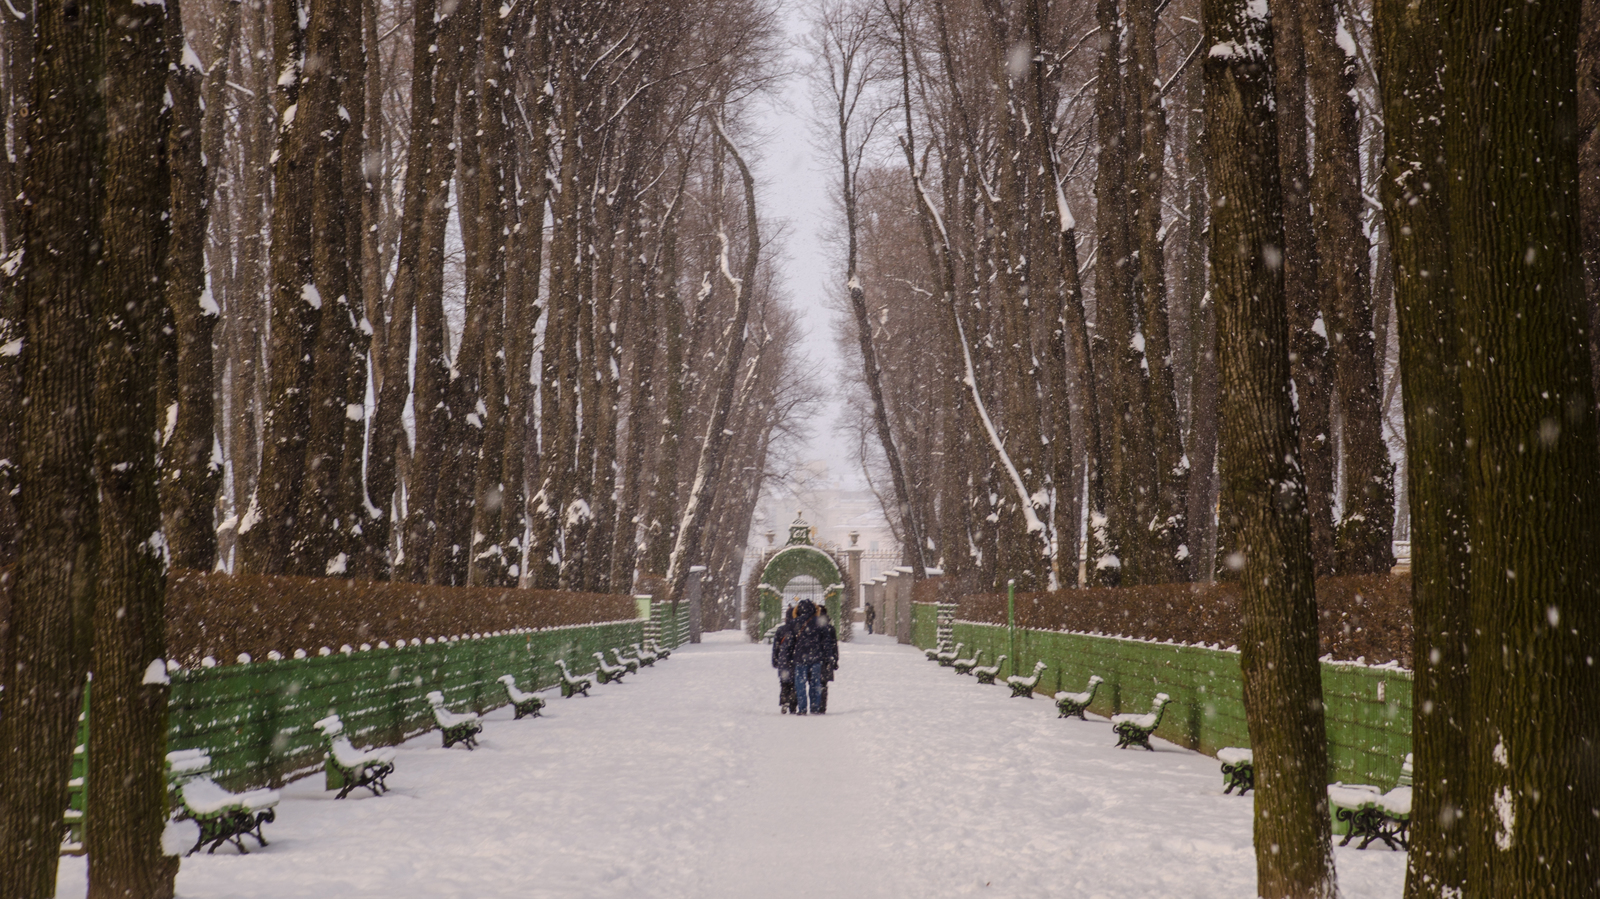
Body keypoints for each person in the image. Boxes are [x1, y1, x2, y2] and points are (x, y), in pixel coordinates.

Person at [792, 599, 829, 715]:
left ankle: (802, 708)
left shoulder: (795, 622)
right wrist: (826, 656)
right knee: (815, 683)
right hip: (816, 657)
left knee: (800, 684)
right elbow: (826, 641)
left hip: (800, 657)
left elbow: (790, 640)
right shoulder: (820, 622)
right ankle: (814, 707)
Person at [771, 605, 798, 714]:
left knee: (784, 682)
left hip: (783, 659)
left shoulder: (781, 630)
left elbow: (776, 647)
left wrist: (775, 659)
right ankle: (793, 703)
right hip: (796, 659)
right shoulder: (798, 629)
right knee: (795, 683)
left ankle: (784, 699)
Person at [815, 606, 840, 713]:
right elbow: (834, 645)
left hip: (815, 658)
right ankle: (822, 706)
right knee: (823, 684)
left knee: (813, 683)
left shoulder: (813, 627)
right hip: (826, 659)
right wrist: (835, 659)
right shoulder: (830, 628)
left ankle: (814, 704)